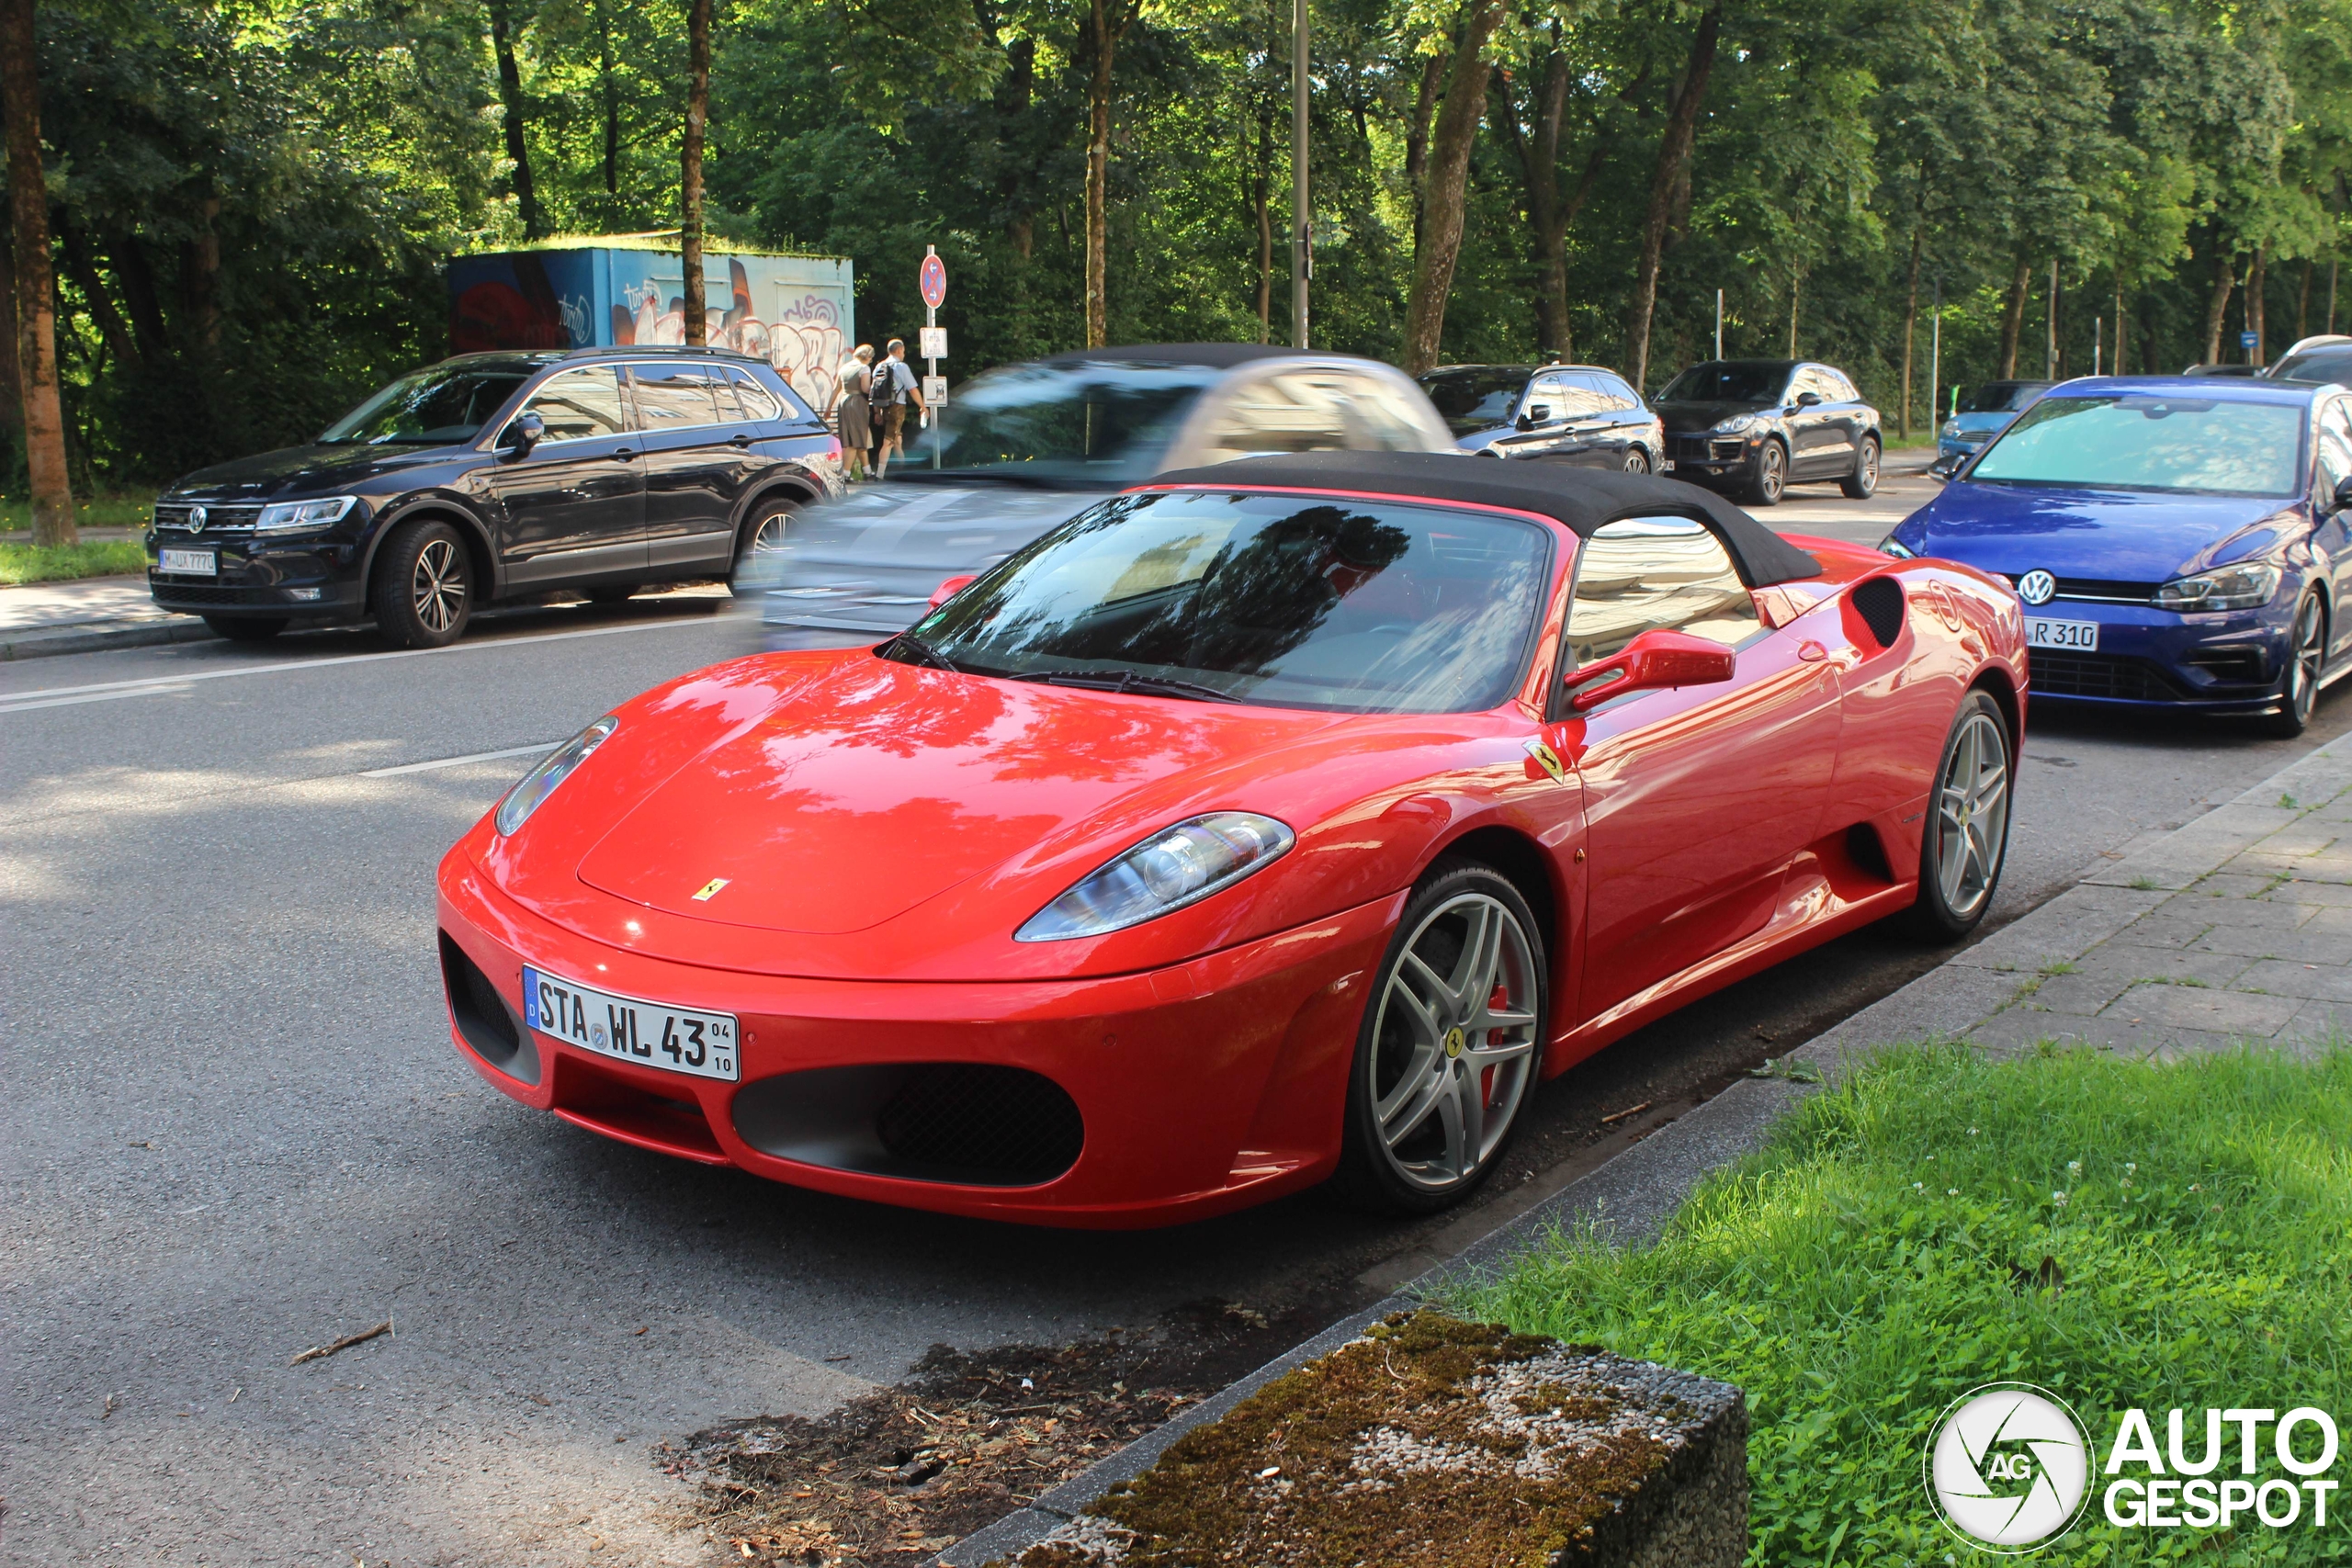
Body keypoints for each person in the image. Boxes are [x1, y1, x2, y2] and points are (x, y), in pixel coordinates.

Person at [871, 338, 927, 479]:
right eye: (903, 351)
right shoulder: (901, 367)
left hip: (884, 407)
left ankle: (904, 469)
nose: (904, 354)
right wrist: (923, 406)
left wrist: (877, 412)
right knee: (888, 441)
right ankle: (879, 474)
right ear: (899, 350)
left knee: (897, 440)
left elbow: (876, 391)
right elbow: (913, 390)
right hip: (897, 407)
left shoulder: (879, 366)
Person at [834, 344, 875, 481]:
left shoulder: (844, 368)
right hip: (857, 403)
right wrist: (876, 391)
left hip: (843, 402)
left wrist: (828, 409)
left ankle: (867, 471)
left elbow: (836, 390)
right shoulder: (864, 368)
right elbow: (865, 388)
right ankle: (845, 474)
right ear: (868, 357)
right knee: (855, 440)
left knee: (858, 438)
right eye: (871, 358)